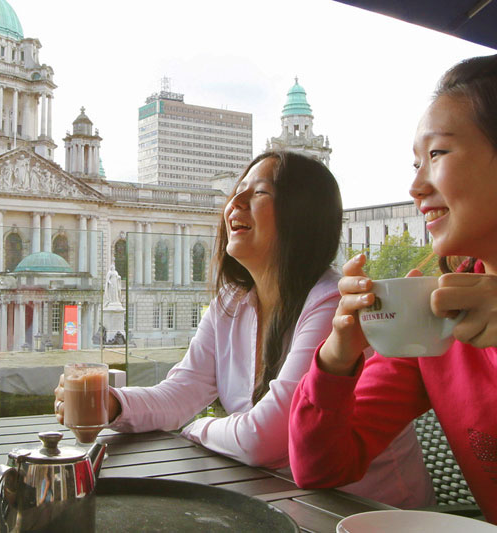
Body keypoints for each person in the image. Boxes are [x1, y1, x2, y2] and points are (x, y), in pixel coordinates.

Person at [54, 150, 433, 508]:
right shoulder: (230, 303)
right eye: (237, 192)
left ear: (301, 215)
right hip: (277, 498)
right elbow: (181, 392)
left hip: (362, 512)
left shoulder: (332, 303)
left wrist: (198, 428)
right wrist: (114, 404)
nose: (234, 203)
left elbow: (263, 439)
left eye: (259, 193)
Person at [288, 54, 497, 523]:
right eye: (416, 162)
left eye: (437, 154)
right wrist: (337, 357)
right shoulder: (434, 315)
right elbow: (320, 467)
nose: (415, 186)